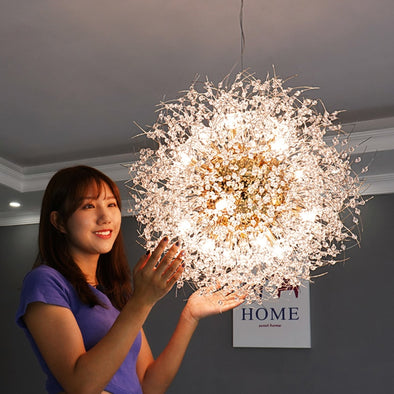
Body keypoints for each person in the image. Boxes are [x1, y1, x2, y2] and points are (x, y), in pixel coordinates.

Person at [16, 165, 243, 394]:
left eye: (111, 204)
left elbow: (148, 385)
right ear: (59, 222)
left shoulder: (113, 295)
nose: (105, 217)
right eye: (88, 206)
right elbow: (81, 386)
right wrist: (141, 301)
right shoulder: (46, 282)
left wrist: (190, 315)